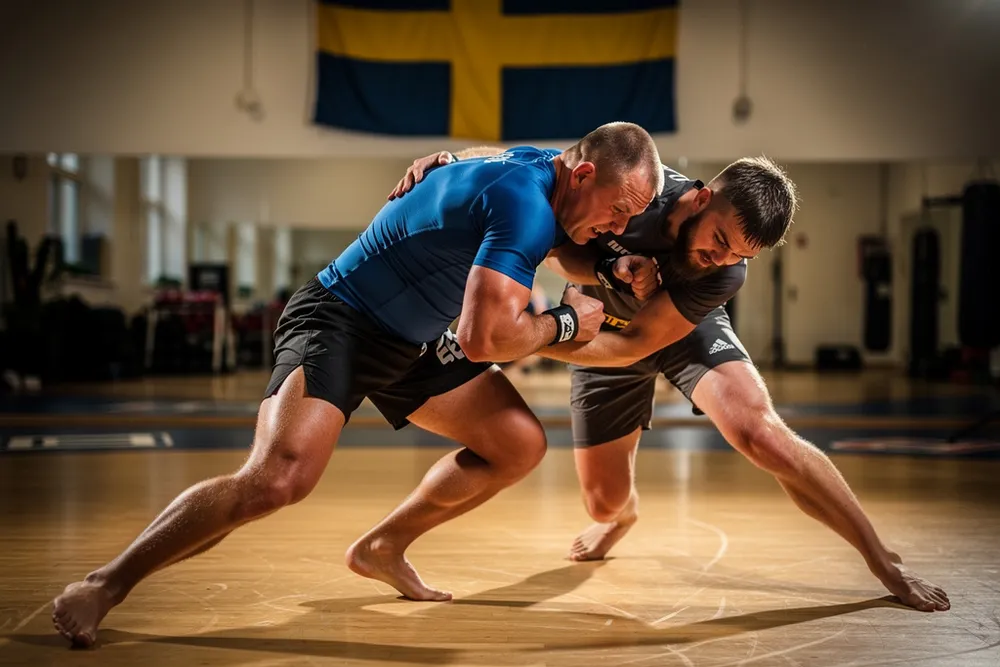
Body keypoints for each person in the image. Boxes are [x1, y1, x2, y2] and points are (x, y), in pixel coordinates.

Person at [51, 122, 666, 648]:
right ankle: (106, 584)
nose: (620, 225)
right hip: (339, 318)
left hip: (413, 338)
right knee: (276, 481)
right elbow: (484, 340)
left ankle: (382, 547)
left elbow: (557, 236)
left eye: (632, 219)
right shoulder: (525, 205)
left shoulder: (540, 167)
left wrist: (608, 263)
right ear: (583, 175)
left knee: (518, 444)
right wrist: (565, 321)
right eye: (620, 209)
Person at [389, 151, 951, 613]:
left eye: (739, 254)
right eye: (721, 238)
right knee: (603, 501)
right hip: (596, 327)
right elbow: (546, 164)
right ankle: (624, 515)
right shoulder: (636, 186)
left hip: (675, 330)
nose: (721, 258)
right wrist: (455, 159)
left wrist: (531, 337)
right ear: (702, 198)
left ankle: (884, 559)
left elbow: (640, 345)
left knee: (760, 433)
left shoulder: (726, 270)